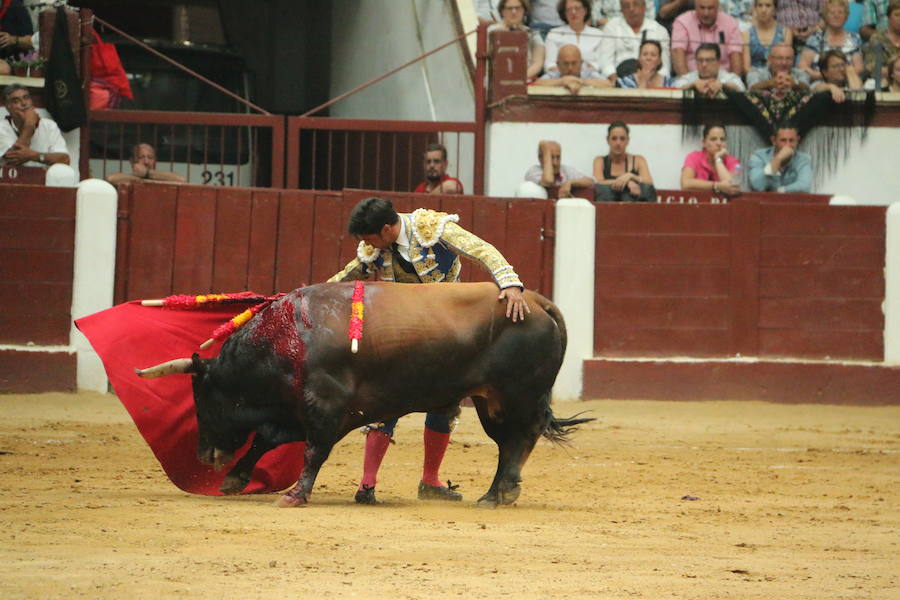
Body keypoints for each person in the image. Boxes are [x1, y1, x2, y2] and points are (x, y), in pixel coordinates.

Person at [327, 197, 529, 505]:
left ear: (386, 229)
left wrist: (510, 283)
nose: (369, 246)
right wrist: (307, 297)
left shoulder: (432, 228)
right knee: (382, 398)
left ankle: (430, 481)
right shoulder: (375, 245)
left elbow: (481, 249)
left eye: (370, 239)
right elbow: (349, 275)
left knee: (444, 402)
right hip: (403, 331)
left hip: (443, 331)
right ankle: (367, 484)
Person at [596, 0, 672, 81]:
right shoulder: (612, 27)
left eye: (636, 4)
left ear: (644, 6)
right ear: (621, 10)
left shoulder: (659, 31)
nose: (631, 9)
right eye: (626, 6)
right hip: (618, 80)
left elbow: (665, 68)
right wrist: (618, 85)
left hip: (652, 82)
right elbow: (605, 63)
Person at [0, 84, 70, 169]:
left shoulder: (49, 126)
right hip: (10, 181)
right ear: (8, 107)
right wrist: (28, 126)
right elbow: (13, 161)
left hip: (42, 180)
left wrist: (35, 156)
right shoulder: (2, 128)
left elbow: (65, 159)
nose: (24, 103)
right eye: (16, 101)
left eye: (26, 98)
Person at [671, 0, 744, 76]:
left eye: (710, 8)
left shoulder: (731, 23)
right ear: (695, 7)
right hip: (691, 78)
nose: (706, 13)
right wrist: (689, 83)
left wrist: (731, 83)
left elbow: (736, 61)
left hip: (723, 80)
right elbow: (677, 56)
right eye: (702, 8)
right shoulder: (682, 22)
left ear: (718, 7)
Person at [798, 0, 864, 81]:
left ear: (846, 17)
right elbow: (802, 67)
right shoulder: (815, 38)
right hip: (819, 84)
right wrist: (824, 76)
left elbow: (859, 68)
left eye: (840, 12)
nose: (836, 15)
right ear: (826, 16)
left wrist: (839, 77)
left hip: (847, 83)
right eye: (832, 12)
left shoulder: (855, 38)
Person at [592, 121, 656, 201]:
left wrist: (631, 176)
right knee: (604, 190)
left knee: (644, 189)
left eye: (622, 139)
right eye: (614, 138)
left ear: (628, 141)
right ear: (608, 140)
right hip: (608, 208)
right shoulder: (600, 161)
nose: (618, 143)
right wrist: (626, 183)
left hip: (633, 208)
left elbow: (649, 182)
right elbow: (597, 182)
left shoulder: (638, 160)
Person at [488, 0, 546, 79]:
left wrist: (520, 78)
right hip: (497, 79)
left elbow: (538, 62)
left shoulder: (532, 34)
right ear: (502, 11)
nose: (514, 12)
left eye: (518, 8)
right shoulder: (492, 31)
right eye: (509, 8)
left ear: (524, 11)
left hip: (525, 79)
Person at [517, 139, 595, 198]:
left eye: (558, 157)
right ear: (540, 158)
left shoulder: (565, 169)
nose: (555, 162)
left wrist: (570, 182)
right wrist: (546, 150)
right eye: (551, 157)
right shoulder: (533, 171)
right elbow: (548, 181)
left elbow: (591, 181)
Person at [748, 123, 813, 192]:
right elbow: (757, 186)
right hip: (761, 201)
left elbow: (805, 186)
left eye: (791, 140)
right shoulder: (759, 156)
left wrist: (780, 190)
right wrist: (778, 159)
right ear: (774, 141)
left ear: (797, 140)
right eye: (783, 140)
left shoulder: (803, 159)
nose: (788, 145)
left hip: (791, 201)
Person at [680, 123, 742, 195]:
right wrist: (717, 186)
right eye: (713, 139)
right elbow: (685, 184)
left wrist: (718, 159)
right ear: (704, 143)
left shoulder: (735, 163)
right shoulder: (693, 157)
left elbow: (732, 187)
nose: (719, 143)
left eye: (722, 139)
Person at [544, 0, 604, 72]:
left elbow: (600, 64)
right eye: (569, 9)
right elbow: (550, 64)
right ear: (564, 13)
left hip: (590, 77)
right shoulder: (554, 34)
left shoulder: (598, 35)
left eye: (577, 8)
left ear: (585, 10)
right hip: (560, 77)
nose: (573, 12)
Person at [533, 44, 612, 92]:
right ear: (558, 65)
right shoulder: (553, 75)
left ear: (581, 63)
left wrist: (581, 81)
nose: (570, 68)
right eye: (565, 64)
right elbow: (537, 84)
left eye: (574, 63)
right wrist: (562, 81)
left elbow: (608, 84)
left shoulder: (589, 73)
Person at [675, 43, 747, 95]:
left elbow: (741, 89)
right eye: (700, 60)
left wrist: (723, 85)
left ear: (718, 62)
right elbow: (675, 89)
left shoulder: (728, 77)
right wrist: (693, 85)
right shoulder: (689, 77)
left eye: (709, 60)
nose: (704, 64)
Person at [742, 0, 793, 72]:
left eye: (768, 6)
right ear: (755, 8)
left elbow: (787, 61)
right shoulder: (746, 34)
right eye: (760, 5)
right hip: (755, 77)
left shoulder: (785, 32)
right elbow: (746, 67)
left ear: (775, 9)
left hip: (779, 76)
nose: (763, 10)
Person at [105, 143, 188, 185]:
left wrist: (147, 173)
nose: (146, 162)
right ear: (132, 161)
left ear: (155, 160)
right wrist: (140, 178)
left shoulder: (162, 178)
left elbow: (182, 180)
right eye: (141, 157)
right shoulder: (126, 178)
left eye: (150, 158)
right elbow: (110, 179)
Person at [746, 42, 811, 91]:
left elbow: (806, 88)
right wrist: (770, 83)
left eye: (788, 58)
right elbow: (752, 88)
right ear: (769, 59)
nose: (784, 63)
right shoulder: (755, 72)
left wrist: (794, 84)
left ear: (793, 60)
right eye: (779, 58)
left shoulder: (801, 73)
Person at [862, 0, 900, 83]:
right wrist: (895, 72)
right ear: (889, 18)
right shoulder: (878, 39)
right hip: (883, 84)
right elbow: (873, 69)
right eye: (897, 15)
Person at [0, 0, 34, 76]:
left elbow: (32, 42)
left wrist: (13, 40)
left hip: (15, 63)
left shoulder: (16, 7)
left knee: (4, 69)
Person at [591, 0, 656, 27]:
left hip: (637, 27)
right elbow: (594, 17)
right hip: (607, 28)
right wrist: (615, 24)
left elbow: (651, 17)